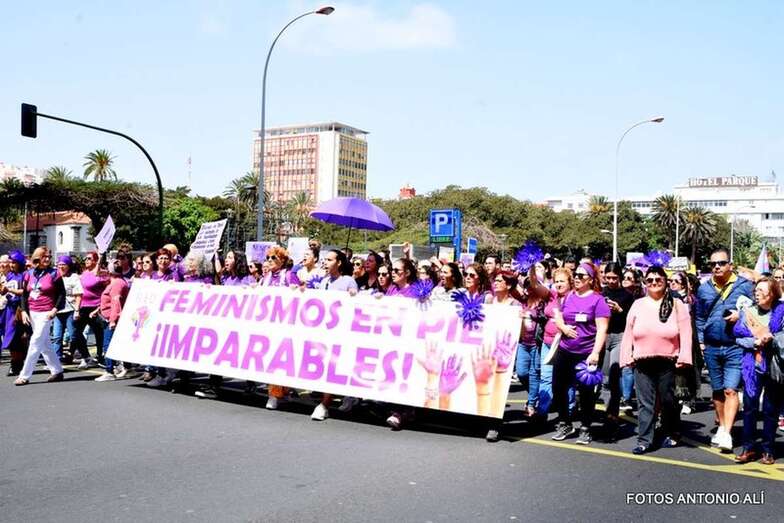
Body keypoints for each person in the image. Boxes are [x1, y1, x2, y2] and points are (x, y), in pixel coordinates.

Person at [620, 266, 693, 454]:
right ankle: (644, 440)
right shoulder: (638, 304)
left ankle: (672, 431)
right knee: (645, 403)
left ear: (665, 281)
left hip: (669, 361)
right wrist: (626, 356)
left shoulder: (677, 304)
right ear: (645, 283)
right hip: (642, 361)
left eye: (658, 279)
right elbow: (628, 332)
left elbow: (686, 333)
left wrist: (684, 357)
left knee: (669, 400)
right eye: (650, 280)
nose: (654, 283)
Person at [695, 247, 754, 452]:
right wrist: (701, 341)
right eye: (713, 264)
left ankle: (727, 433)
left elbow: (757, 311)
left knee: (731, 389)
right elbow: (699, 317)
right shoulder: (704, 289)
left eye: (721, 263)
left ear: (730, 265)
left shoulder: (744, 286)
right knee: (718, 390)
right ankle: (721, 426)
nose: (717, 267)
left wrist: (741, 316)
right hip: (711, 346)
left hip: (735, 346)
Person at [551, 262, 610, 445]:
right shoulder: (569, 296)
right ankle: (565, 422)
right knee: (558, 388)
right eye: (575, 275)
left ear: (590, 280)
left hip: (586, 353)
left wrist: (595, 353)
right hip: (565, 350)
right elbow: (558, 315)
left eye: (581, 276)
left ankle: (585, 427)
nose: (576, 278)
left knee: (585, 393)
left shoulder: (598, 300)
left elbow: (602, 329)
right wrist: (563, 327)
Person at [732, 276, 783, 464]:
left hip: (774, 366)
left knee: (770, 409)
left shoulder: (781, 311)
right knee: (749, 408)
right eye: (756, 290)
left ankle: (768, 450)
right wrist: (755, 342)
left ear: (772, 293)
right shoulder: (748, 313)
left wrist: (773, 338)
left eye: (761, 290)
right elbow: (738, 337)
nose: (757, 293)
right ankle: (749, 448)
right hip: (752, 365)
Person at [310, 249, 359, 420]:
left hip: (341, 333)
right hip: (325, 331)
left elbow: (355, 300)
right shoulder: (324, 282)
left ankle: (325, 404)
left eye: (330, 260)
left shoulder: (348, 281)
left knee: (333, 368)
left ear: (339, 263)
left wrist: (353, 294)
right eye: (325, 259)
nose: (325, 262)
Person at [15, 247, 65, 385]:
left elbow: (62, 294)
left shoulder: (54, 273)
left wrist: (55, 309)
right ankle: (57, 370)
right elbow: (24, 294)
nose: (47, 259)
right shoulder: (28, 274)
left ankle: (24, 375)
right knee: (44, 343)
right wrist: (24, 311)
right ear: (37, 258)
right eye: (44, 256)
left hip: (46, 312)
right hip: (32, 312)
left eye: (49, 256)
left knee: (35, 341)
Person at [600, 262, 635, 437]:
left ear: (619, 277)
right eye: (608, 278)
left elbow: (632, 320)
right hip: (604, 335)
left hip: (620, 336)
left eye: (614, 278)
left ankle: (613, 413)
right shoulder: (600, 294)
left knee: (614, 374)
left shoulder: (627, 296)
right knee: (605, 377)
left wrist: (620, 310)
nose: (611, 281)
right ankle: (608, 411)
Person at [94, 261, 131, 382]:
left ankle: (109, 370)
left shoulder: (117, 284)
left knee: (108, 345)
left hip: (112, 319)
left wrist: (113, 320)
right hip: (109, 317)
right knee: (120, 344)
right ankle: (127, 367)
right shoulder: (116, 282)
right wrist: (98, 310)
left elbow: (116, 303)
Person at [71, 251, 109, 368]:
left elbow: (106, 292)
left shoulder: (101, 274)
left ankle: (100, 356)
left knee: (99, 333)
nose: (86, 260)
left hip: (96, 307)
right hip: (83, 307)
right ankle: (86, 356)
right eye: (86, 259)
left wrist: (100, 307)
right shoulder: (84, 273)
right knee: (75, 332)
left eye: (89, 258)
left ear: (95, 261)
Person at [52, 255, 82, 363]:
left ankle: (71, 352)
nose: (61, 267)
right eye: (59, 265)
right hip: (58, 310)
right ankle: (57, 358)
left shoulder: (74, 277)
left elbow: (78, 294)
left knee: (73, 335)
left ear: (69, 266)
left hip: (70, 309)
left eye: (63, 265)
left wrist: (77, 310)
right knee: (57, 336)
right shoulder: (54, 276)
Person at [1, 251, 27, 375]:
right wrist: (3, 290)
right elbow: (6, 291)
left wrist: (9, 290)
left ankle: (18, 363)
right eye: (10, 262)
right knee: (10, 339)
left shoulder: (24, 275)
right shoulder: (10, 275)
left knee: (17, 338)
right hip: (9, 309)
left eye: (14, 262)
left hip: (19, 309)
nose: (11, 265)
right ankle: (15, 363)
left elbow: (24, 292)